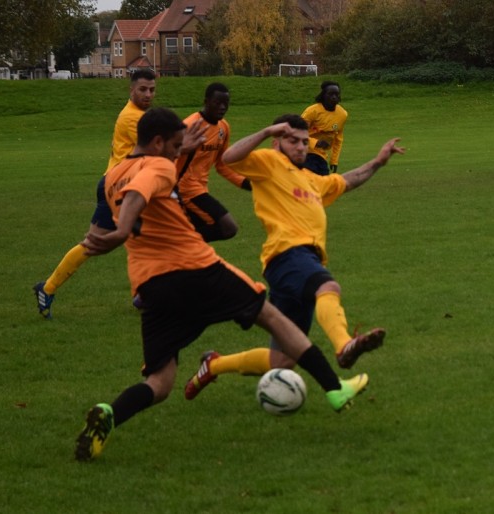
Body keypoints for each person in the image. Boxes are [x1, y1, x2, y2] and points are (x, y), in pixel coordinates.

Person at [74, 107, 368, 462]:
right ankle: (335, 389)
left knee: (160, 383)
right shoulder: (159, 166)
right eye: (175, 146)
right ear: (156, 142)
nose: (176, 153)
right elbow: (142, 188)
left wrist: (108, 236)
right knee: (273, 317)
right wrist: (123, 229)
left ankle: (110, 413)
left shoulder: (111, 178)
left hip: (150, 284)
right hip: (196, 268)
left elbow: (97, 232)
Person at [184, 114, 404, 400]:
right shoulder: (268, 162)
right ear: (278, 144)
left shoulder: (311, 179)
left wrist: (377, 162)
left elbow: (346, 181)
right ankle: (343, 345)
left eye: (304, 142)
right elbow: (230, 157)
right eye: (293, 141)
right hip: (289, 254)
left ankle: (214, 364)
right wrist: (266, 130)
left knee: (283, 359)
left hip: (294, 264)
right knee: (328, 288)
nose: (301, 147)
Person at [32, 69, 157, 318]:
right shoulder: (133, 118)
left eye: (152, 90)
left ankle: (144, 293)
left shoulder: (141, 115)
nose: (148, 94)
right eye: (143, 89)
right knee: (97, 243)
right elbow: (159, 147)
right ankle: (47, 288)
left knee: (143, 238)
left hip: (122, 185)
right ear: (131, 89)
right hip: (119, 188)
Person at [175, 82, 250, 242]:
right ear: (206, 101)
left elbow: (222, 164)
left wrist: (245, 183)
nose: (222, 107)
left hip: (201, 189)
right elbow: (167, 157)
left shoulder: (224, 128)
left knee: (199, 232)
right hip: (184, 190)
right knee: (228, 227)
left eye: (226, 103)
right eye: (218, 103)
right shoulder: (189, 126)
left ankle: (180, 249)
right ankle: (176, 242)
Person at [300, 81, 347, 176]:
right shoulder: (312, 111)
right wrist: (315, 142)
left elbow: (338, 139)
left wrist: (334, 160)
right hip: (305, 152)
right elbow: (296, 133)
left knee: (323, 183)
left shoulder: (342, 114)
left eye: (336, 94)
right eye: (330, 94)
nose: (334, 97)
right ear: (323, 95)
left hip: (321, 154)